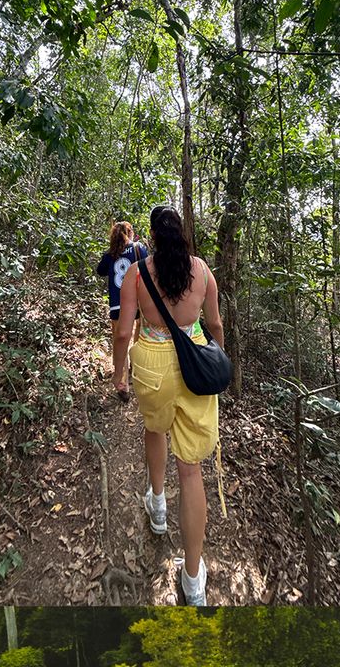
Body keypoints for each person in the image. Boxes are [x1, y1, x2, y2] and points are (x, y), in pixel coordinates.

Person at [111, 204, 224, 606]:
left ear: (153, 237)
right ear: (180, 233)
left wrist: (118, 372)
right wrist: (215, 359)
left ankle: (157, 505)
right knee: (191, 471)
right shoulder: (202, 270)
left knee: (154, 429)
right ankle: (193, 581)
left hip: (153, 364)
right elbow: (214, 326)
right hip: (194, 364)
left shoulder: (138, 274)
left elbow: (125, 331)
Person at [96, 222, 147, 381]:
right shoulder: (138, 248)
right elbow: (148, 269)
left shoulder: (110, 253)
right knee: (138, 330)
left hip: (117, 303)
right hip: (137, 301)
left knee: (120, 338)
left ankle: (122, 378)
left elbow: (100, 271)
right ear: (130, 233)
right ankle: (136, 368)